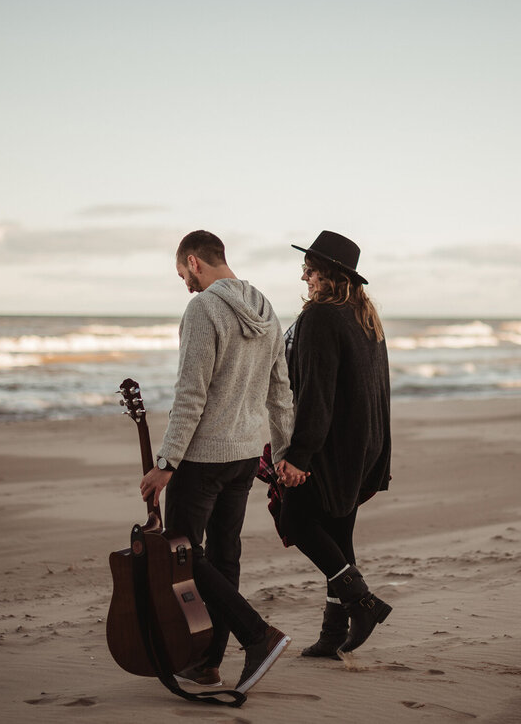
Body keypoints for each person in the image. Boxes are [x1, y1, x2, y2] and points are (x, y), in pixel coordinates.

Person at [139, 230, 294, 693]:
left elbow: (190, 395)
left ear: (194, 261)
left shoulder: (202, 309)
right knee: (223, 556)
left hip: (205, 457)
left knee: (182, 552)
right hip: (246, 455)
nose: (185, 283)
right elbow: (280, 391)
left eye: (183, 274)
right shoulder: (265, 307)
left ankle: (257, 636)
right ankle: (208, 662)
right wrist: (284, 452)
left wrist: (166, 462)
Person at [274, 230, 392, 658]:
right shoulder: (364, 317)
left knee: (297, 523)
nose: (303, 274)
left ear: (328, 275)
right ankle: (331, 634)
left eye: (310, 268)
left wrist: (299, 456)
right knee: (339, 536)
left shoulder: (322, 317)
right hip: (364, 446)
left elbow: (316, 394)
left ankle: (362, 604)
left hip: (331, 448)